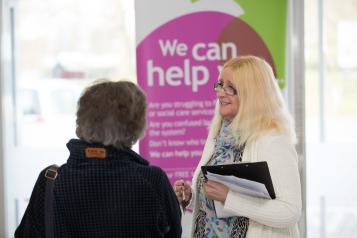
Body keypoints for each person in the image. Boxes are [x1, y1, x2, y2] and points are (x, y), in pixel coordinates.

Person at [15, 80, 182, 238]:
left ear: (81, 120)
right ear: (135, 126)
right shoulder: (153, 180)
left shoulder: (51, 180)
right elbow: (173, 233)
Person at [174, 55, 302, 238]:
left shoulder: (274, 140)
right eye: (219, 84)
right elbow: (213, 201)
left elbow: (290, 211)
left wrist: (230, 198)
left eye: (230, 87)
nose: (220, 93)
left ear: (252, 94)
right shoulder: (218, 136)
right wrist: (192, 196)